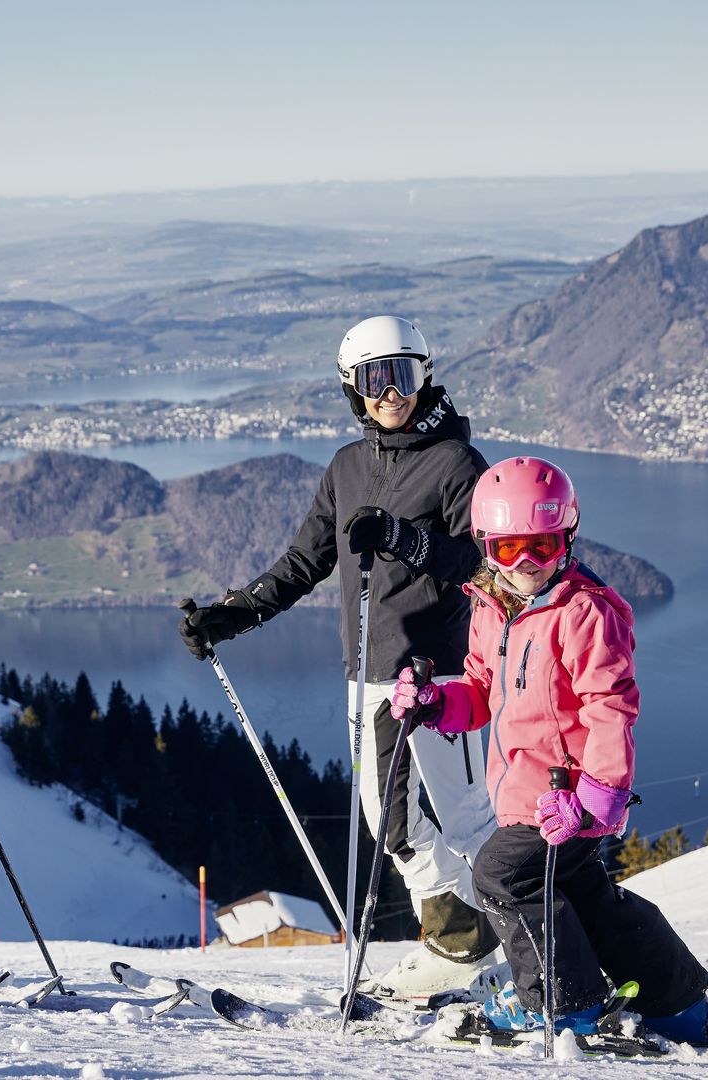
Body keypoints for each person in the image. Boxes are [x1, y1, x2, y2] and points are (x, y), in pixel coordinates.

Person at [177, 315, 499, 999]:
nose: (392, 393)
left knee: (464, 817)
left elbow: (485, 561)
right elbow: (304, 562)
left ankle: (502, 945)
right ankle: (464, 940)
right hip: (369, 676)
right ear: (353, 389)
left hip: (439, 671)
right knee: (392, 823)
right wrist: (231, 616)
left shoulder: (455, 464)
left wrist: (409, 543)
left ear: (426, 375)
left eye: (404, 375)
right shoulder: (348, 468)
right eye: (375, 379)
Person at [392, 456, 708, 1043]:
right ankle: (677, 1004)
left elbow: (611, 708)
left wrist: (597, 796)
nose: (526, 565)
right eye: (510, 548)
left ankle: (564, 1005)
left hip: (571, 799)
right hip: (526, 797)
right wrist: (435, 704)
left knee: (501, 876)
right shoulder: (492, 608)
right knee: (585, 897)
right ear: (485, 544)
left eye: (542, 547)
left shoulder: (584, 612)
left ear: (566, 538)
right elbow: (483, 692)